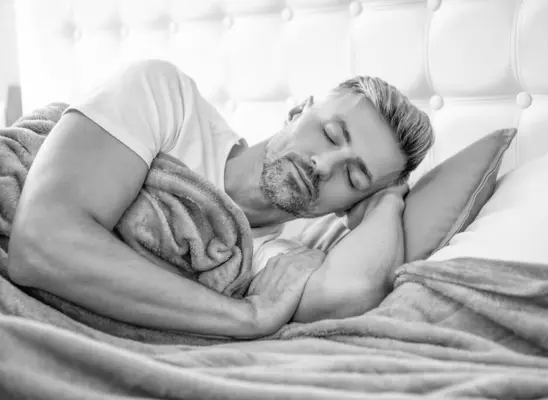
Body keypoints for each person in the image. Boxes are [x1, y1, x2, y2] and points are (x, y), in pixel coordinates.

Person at [7, 59, 434, 339]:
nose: (324, 165)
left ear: (349, 208)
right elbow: (43, 240)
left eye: (354, 176)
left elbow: (351, 292)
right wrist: (245, 317)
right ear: (297, 111)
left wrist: (387, 200)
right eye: (330, 134)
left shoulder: (272, 258)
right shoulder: (169, 100)